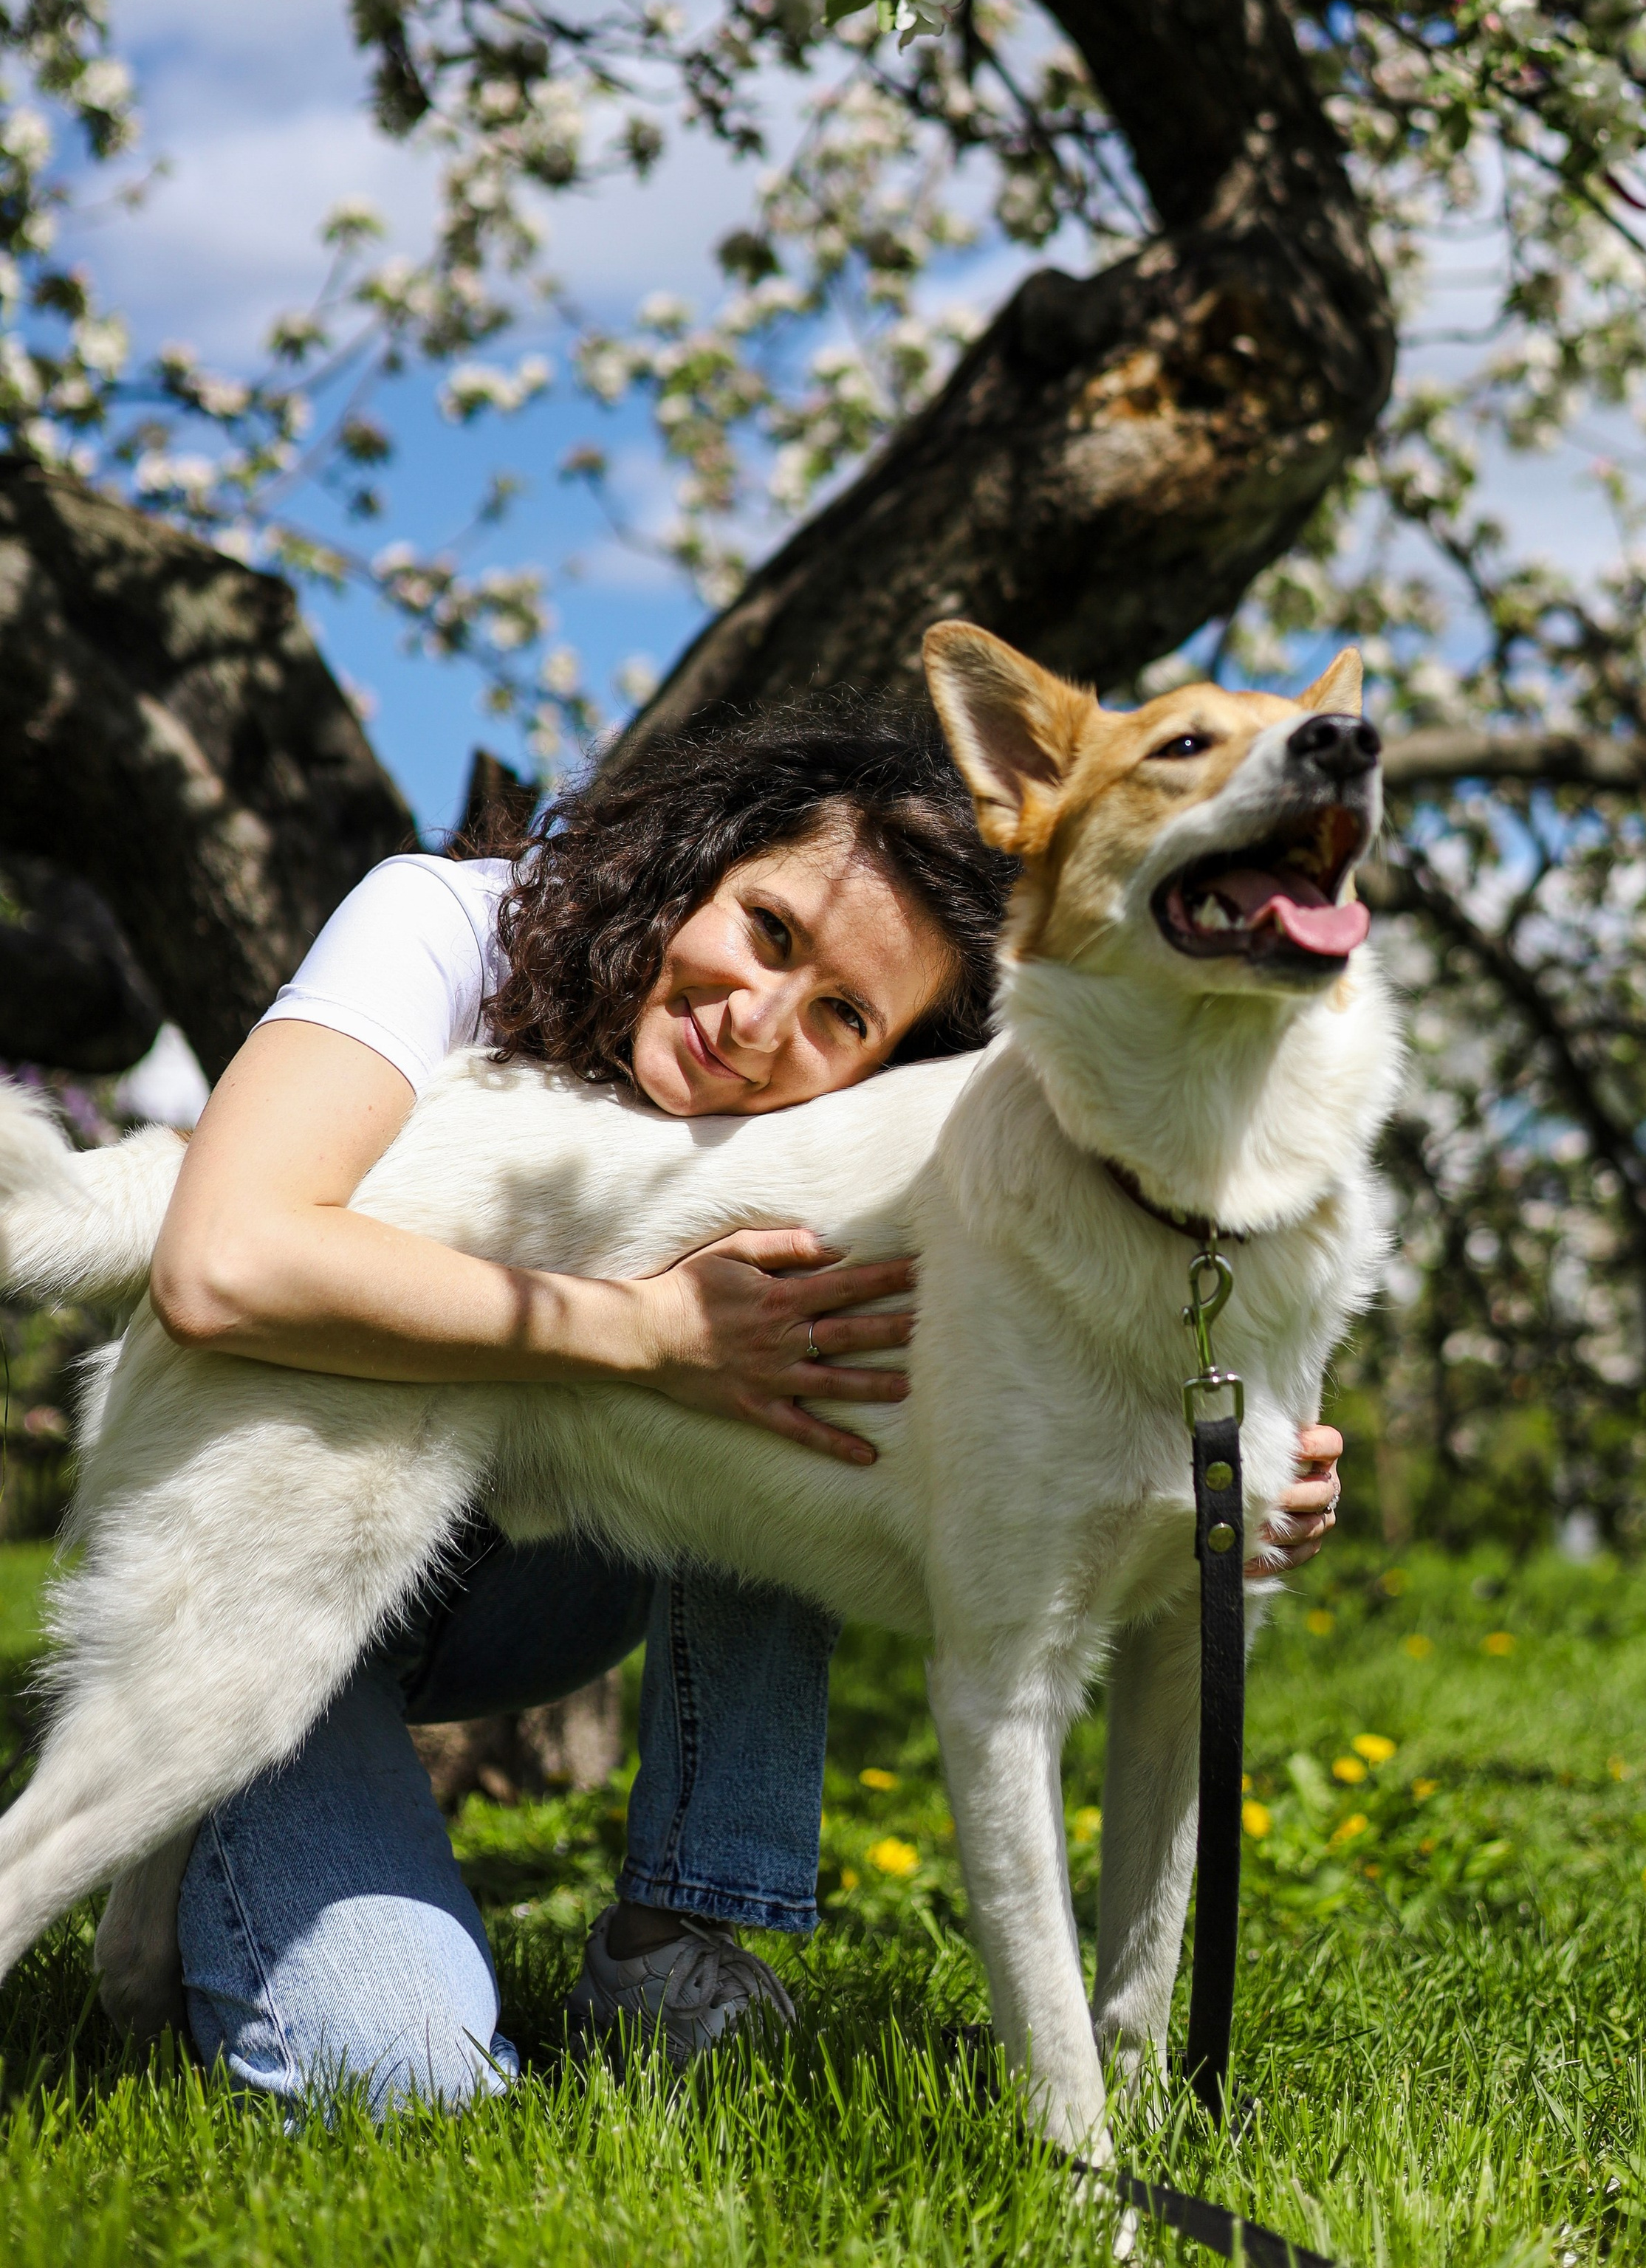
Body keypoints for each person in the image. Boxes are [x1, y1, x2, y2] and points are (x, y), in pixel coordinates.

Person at [148, 697, 1345, 2115]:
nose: (758, 1023)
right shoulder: (440, 927)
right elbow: (220, 1265)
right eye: (768, 931)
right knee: (396, 2076)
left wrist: (1222, 1463)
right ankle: (188, 1842)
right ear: (701, 857)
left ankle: (675, 1945)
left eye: (845, 1016)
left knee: (828, 1318)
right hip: (299, 1549)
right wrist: (646, 1331)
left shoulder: (820, 1146)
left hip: (554, 1575)